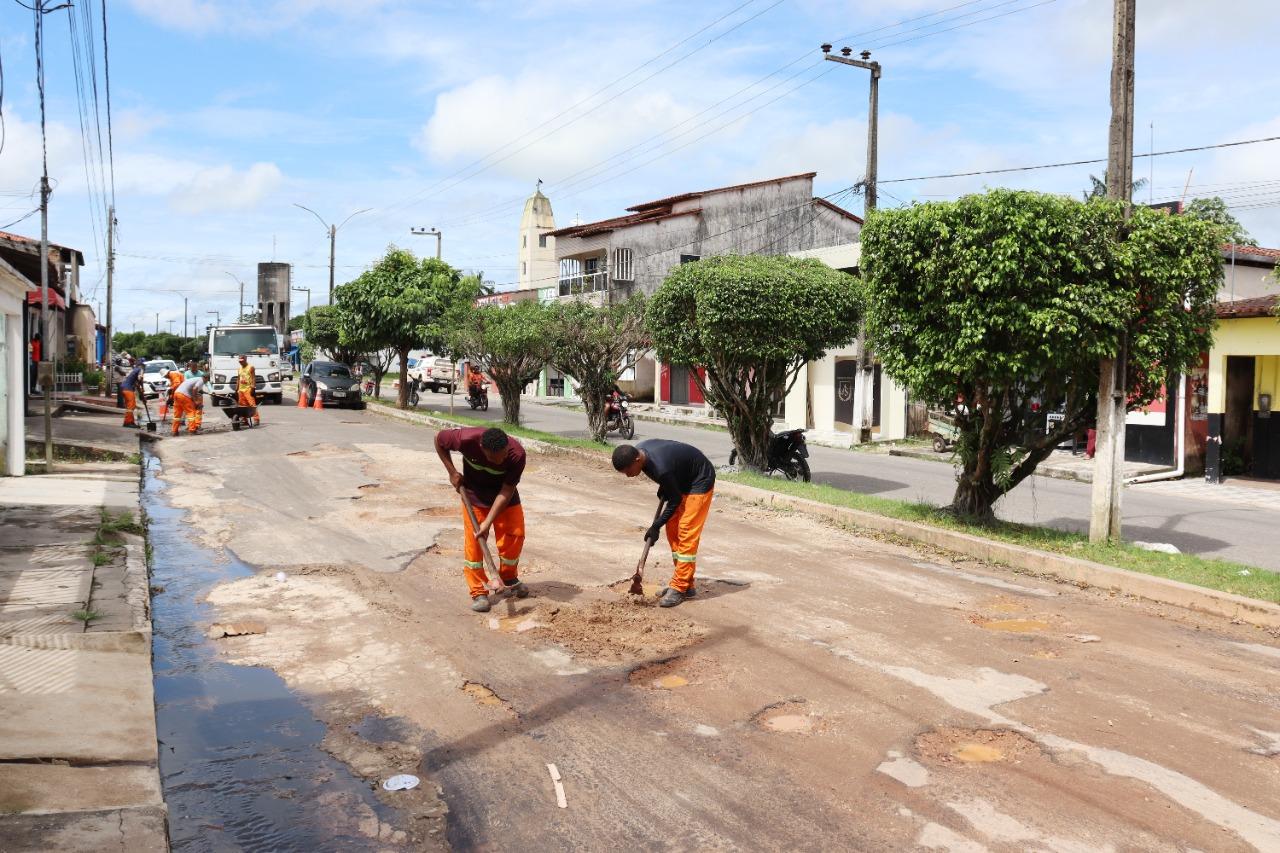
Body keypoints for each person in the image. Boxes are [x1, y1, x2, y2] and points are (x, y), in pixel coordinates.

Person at [434, 426, 529, 612]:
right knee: (475, 547)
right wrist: (452, 472)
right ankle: (478, 592)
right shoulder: (465, 439)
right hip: (474, 497)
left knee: (515, 536)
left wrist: (487, 523)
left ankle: (508, 577)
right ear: (481, 447)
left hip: (504, 498)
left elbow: (507, 490)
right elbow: (438, 439)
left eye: (501, 457)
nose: (498, 461)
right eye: (492, 458)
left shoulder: (517, 454)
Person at [612, 440, 716, 608]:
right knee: (673, 530)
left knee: (686, 533)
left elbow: (674, 500)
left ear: (637, 460)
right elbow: (669, 479)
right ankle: (686, 583)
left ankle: (679, 587)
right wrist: (666, 486)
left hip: (699, 480)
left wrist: (655, 526)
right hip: (681, 478)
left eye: (628, 471)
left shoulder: (660, 467)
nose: (628, 475)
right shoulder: (640, 454)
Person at [235, 354, 260, 425]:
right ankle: (244, 420)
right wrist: (236, 389)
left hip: (248, 389)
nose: (240, 362)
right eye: (239, 361)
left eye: (242, 361)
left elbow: (253, 378)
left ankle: (256, 419)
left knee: (252, 404)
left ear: (245, 360)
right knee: (242, 405)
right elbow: (238, 379)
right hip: (241, 390)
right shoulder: (239, 369)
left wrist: (253, 388)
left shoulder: (251, 367)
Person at [120, 357, 144, 429]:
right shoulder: (140, 370)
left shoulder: (134, 370)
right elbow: (140, 379)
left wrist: (141, 393)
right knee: (131, 406)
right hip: (128, 389)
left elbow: (137, 384)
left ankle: (130, 422)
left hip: (123, 388)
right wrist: (142, 388)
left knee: (129, 407)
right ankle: (127, 422)